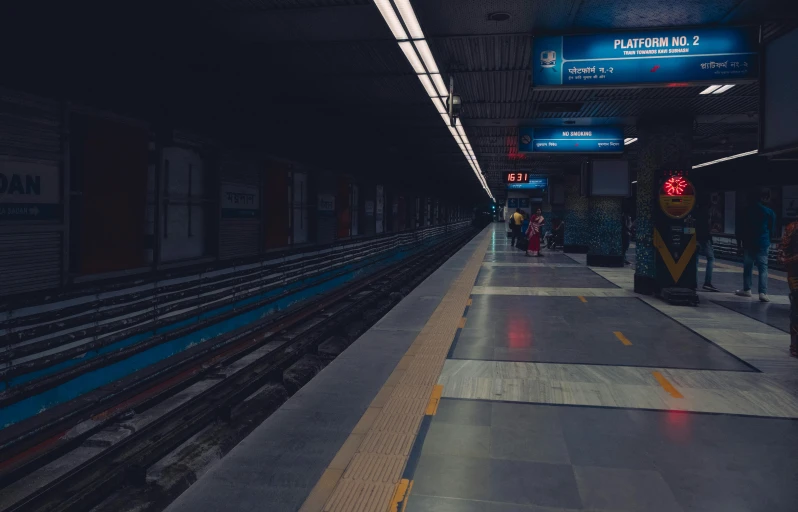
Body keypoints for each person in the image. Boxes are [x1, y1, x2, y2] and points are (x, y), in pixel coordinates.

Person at [736, 189, 776, 302]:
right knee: (763, 268)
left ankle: (747, 290)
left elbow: (739, 230)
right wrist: (768, 241)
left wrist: (739, 245)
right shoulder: (769, 212)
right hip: (763, 243)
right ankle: (763, 293)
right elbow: (771, 229)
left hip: (748, 244)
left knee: (748, 267)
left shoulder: (745, 211)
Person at [779, 219, 798, 357]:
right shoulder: (792, 228)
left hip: (794, 274)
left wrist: (788, 261)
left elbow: (781, 254)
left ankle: (795, 345)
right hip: (795, 275)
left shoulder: (791, 227)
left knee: (796, 308)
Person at [695, 203, 719, 292]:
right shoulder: (706, 213)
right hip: (705, 239)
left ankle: (694, 282)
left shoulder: (695, 211)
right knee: (711, 258)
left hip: (695, 238)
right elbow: (705, 228)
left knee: (695, 260)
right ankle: (707, 283)